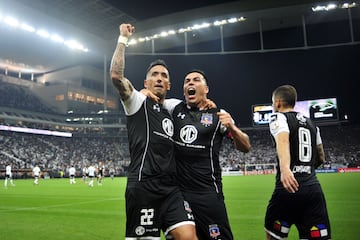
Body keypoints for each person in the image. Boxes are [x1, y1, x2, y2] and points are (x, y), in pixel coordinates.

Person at [110, 23, 197, 240]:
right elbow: (116, 77)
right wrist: (123, 39)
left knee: (188, 236)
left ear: (169, 84)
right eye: (155, 74)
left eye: (164, 75)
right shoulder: (137, 101)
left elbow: (194, 104)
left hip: (170, 189)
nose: (159, 77)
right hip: (143, 186)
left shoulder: (172, 111)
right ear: (146, 82)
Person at [160, 69, 251, 239]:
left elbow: (245, 146)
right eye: (187, 81)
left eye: (196, 80)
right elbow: (151, 98)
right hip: (179, 195)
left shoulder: (218, 116)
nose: (190, 83)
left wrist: (231, 126)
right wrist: (144, 91)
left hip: (208, 194)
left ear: (206, 88)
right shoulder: (173, 107)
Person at [264, 84, 331, 240]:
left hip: (288, 189)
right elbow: (321, 156)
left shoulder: (278, 117)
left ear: (278, 102)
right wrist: (306, 169)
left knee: (274, 235)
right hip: (313, 189)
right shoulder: (312, 123)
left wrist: (286, 169)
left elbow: (283, 139)